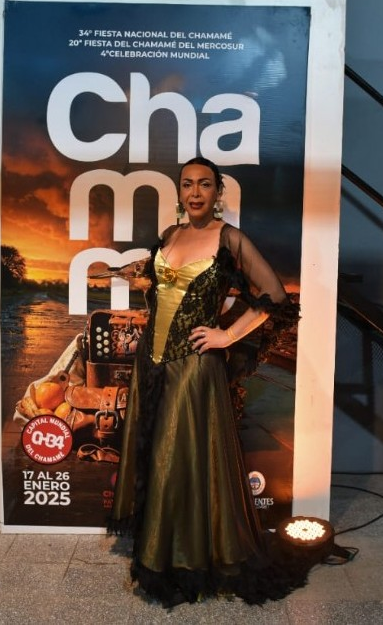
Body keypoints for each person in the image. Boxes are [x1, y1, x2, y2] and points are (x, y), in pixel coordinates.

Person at [107, 156, 306, 606]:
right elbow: (167, 289)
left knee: (178, 458)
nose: (195, 192)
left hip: (194, 368)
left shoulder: (230, 239)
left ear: (218, 192)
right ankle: (163, 545)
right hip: (151, 363)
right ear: (180, 192)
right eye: (187, 184)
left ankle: (182, 557)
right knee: (159, 456)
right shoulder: (170, 235)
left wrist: (227, 336)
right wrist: (144, 279)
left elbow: (275, 297)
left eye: (204, 184)